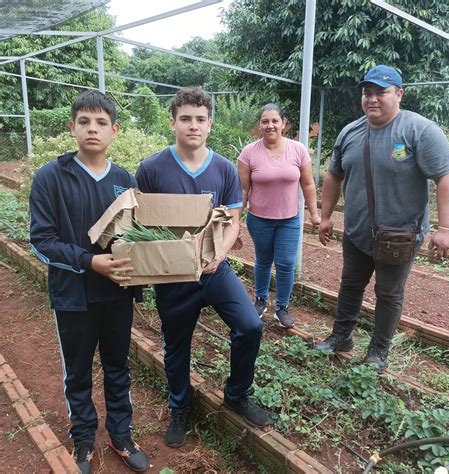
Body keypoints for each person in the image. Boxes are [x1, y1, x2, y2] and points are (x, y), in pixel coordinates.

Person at [135, 87, 268, 448]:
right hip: (174, 275)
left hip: (214, 270)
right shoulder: (151, 169)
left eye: (200, 119)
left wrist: (219, 255)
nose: (193, 125)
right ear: (173, 122)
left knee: (250, 325)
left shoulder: (224, 169)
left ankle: (237, 394)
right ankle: (180, 406)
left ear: (210, 124)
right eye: (185, 119)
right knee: (177, 344)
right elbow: (143, 223)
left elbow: (233, 221)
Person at [29, 90, 150, 473]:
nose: (92, 129)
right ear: (72, 128)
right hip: (73, 294)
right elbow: (42, 240)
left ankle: (121, 433)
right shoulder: (51, 177)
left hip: (116, 291)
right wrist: (90, 261)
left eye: (101, 123)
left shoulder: (123, 180)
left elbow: (136, 235)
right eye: (84, 122)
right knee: (78, 369)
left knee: (117, 365)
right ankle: (83, 438)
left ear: (114, 131)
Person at [314, 65, 449, 373]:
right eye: (367, 93)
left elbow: (446, 178)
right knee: (350, 284)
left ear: (399, 94)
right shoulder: (350, 132)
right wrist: (325, 216)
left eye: (381, 92)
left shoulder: (419, 130)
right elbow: (333, 174)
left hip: (399, 236)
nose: (373, 99)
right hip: (357, 231)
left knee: (389, 293)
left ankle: (378, 351)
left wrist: (446, 228)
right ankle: (341, 337)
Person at [237, 104, 320, 328]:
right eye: (265, 121)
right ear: (260, 125)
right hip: (259, 218)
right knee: (263, 260)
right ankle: (261, 301)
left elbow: (308, 184)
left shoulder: (298, 150)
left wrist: (314, 214)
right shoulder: (249, 153)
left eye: (275, 121)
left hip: (289, 219)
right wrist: (236, 218)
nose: (270, 125)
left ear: (284, 123)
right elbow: (243, 190)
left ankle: (282, 308)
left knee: (285, 263)